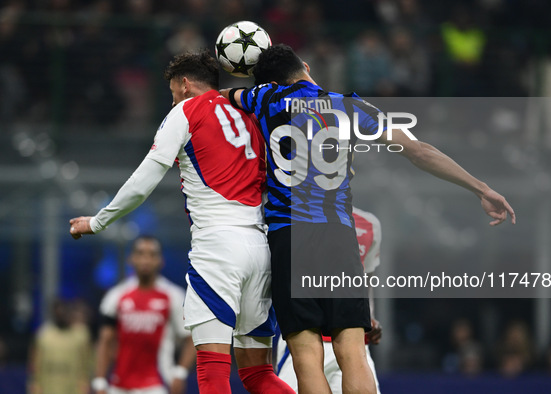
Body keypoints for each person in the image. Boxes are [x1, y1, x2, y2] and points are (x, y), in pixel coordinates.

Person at [223, 44, 516, 394]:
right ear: (304, 66)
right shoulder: (348, 105)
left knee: (305, 354)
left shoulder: (262, 98)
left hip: (288, 237)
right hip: (338, 236)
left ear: (269, 81)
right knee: (352, 350)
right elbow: (419, 152)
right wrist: (480, 188)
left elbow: (221, 96)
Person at [69, 51, 293, 394]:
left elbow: (145, 178)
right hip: (259, 248)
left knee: (213, 372)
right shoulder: (248, 113)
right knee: (257, 374)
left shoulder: (186, 110)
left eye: (173, 92)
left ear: (185, 85)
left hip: (218, 249)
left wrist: (98, 221)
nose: (172, 100)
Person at [276, 207, 383, 393]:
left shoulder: (370, 224)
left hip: (354, 342)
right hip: (305, 337)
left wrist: (370, 317)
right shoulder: (288, 213)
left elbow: (365, 281)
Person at [92, 235, 194, 394]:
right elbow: (105, 341)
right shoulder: (116, 296)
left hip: (158, 384)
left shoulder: (173, 296)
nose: (145, 260)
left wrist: (180, 373)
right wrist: (100, 381)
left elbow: (191, 338)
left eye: (152, 255)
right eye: (140, 254)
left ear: (161, 260)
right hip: (119, 385)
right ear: (131, 259)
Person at [29, 299, 93, 394]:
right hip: (49, 388)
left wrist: (87, 382)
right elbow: (35, 362)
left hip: (74, 388)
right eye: (58, 311)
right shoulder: (44, 335)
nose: (62, 314)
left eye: (64, 311)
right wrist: (35, 383)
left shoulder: (81, 334)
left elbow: (89, 361)